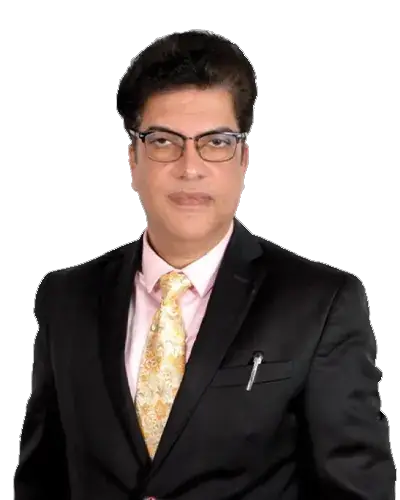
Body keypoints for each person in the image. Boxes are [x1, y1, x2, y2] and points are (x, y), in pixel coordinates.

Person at [14, 29, 397, 500]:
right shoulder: (67, 300)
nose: (190, 167)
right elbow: (42, 480)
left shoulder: (318, 304)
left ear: (243, 157)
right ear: (133, 157)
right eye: (163, 141)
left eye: (215, 142)